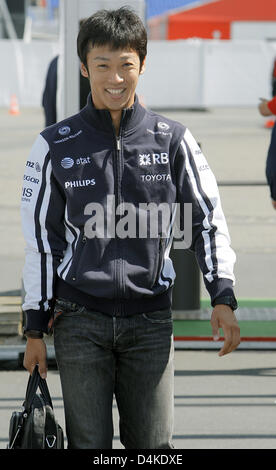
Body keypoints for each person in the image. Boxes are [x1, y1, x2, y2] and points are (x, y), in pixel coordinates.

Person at [21, 7, 240, 450]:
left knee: (155, 449)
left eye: (126, 65)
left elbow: (208, 218)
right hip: (79, 323)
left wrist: (223, 294)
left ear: (143, 64)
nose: (115, 78)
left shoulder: (173, 139)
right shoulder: (53, 145)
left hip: (151, 321)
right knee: (90, 447)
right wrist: (34, 329)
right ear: (84, 67)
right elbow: (41, 243)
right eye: (103, 65)